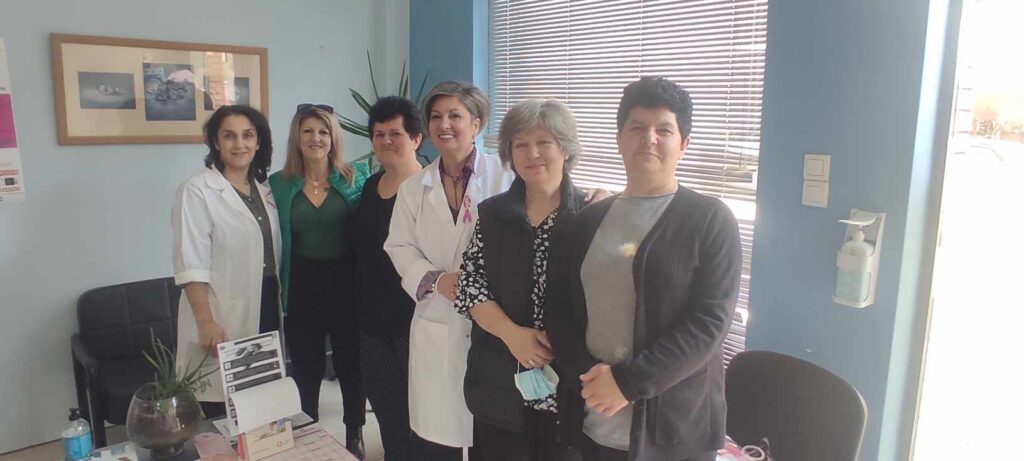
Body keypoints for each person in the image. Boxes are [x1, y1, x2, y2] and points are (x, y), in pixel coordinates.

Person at [544, 77, 743, 461]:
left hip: (675, 431)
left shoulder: (710, 220)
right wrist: (591, 379)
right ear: (619, 139)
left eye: (664, 130)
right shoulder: (585, 223)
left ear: (683, 144)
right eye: (637, 127)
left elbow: (710, 321)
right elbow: (559, 309)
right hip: (593, 420)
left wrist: (627, 383)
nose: (649, 138)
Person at [384, 81, 517, 459]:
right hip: (437, 318)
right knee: (438, 438)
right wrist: (437, 281)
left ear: (476, 124)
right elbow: (398, 246)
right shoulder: (414, 188)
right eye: (436, 117)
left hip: (496, 318)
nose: (444, 124)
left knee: (491, 436)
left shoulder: (506, 177)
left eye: (455, 116)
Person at [453, 99, 586, 461]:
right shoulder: (493, 214)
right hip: (499, 382)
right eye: (521, 144)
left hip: (570, 390)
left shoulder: (591, 216)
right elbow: (471, 286)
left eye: (544, 142)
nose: (533, 153)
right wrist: (513, 336)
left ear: (565, 148)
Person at [268, 103, 370, 458]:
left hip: (346, 283)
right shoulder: (278, 185)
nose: (316, 138)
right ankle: (307, 431)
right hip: (301, 284)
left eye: (323, 132)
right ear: (297, 137)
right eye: (308, 131)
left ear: (333, 138)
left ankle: (354, 432)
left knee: (349, 362)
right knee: (306, 366)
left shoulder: (354, 178)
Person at [171, 105, 280, 418]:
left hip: (266, 304)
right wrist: (206, 322)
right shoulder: (197, 190)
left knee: (260, 397)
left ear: (258, 142)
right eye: (229, 136)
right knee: (221, 406)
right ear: (216, 142)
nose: (239, 144)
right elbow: (191, 263)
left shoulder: (264, 190)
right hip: (220, 311)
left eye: (248, 135)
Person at [348, 96, 424, 461]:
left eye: (396, 133)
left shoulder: (430, 189)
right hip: (372, 319)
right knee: (384, 401)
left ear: (416, 139)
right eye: (379, 134)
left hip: (414, 320)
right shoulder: (370, 185)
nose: (386, 141)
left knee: (418, 407)